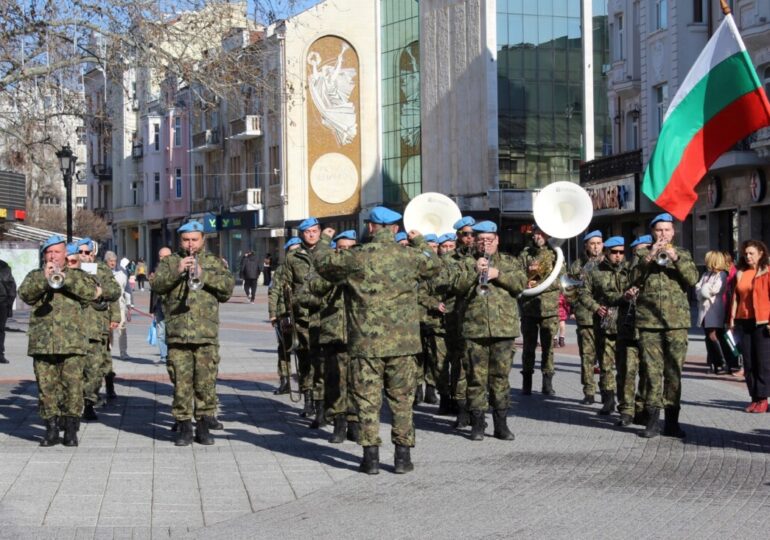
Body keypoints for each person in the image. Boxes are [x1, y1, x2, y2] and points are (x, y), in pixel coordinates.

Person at [315, 206, 439, 474]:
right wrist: (419, 240)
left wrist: (325, 238)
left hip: (366, 344)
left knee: (367, 400)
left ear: (371, 228)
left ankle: (370, 458)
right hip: (403, 345)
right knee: (402, 401)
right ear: (395, 229)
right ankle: (402, 458)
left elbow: (322, 263)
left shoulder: (355, 257)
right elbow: (435, 264)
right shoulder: (410, 256)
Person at [150, 220, 234, 446]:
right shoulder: (170, 262)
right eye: (186, 240)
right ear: (180, 240)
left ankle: (204, 426)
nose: (190, 244)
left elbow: (227, 291)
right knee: (181, 383)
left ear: (203, 240)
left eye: (194, 239)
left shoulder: (214, 262)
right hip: (178, 333)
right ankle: (184, 426)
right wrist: (178, 272)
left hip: (206, 334)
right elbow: (156, 286)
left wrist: (203, 275)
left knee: (205, 383)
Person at [18, 235, 103, 446]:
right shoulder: (35, 275)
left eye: (57, 252)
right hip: (43, 343)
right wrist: (44, 281)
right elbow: (25, 295)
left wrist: (65, 279)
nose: (53, 256)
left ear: (65, 254)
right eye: (49, 252)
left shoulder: (78, 275)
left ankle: (71, 430)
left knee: (73, 388)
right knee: (46, 389)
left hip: (72, 342)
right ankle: (51, 430)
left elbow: (90, 293)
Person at [446, 220, 527, 441]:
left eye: (489, 240)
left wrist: (497, 274)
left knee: (500, 378)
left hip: (503, 329)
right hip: (474, 330)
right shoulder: (464, 263)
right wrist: (475, 272)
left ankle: (501, 424)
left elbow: (521, 284)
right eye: (480, 240)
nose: (484, 244)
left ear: (497, 241)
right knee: (475, 379)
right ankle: (478, 424)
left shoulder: (510, 262)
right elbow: (454, 286)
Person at [630, 213, 698, 438]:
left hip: (676, 323)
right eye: (659, 230)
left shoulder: (684, 254)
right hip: (649, 322)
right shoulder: (641, 254)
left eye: (667, 230)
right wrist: (649, 255)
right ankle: (652, 421)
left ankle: (672, 422)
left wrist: (675, 258)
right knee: (651, 372)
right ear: (652, 232)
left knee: (674, 372)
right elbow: (633, 278)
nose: (663, 234)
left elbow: (692, 279)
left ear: (673, 232)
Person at [302, 230, 359, 442]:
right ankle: (339, 422)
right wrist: (330, 281)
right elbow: (305, 295)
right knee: (335, 381)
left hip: (357, 334)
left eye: (349, 249)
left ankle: (355, 422)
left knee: (356, 381)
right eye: (341, 249)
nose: (344, 252)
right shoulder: (324, 270)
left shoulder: (360, 269)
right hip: (332, 335)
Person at [278, 218, 324, 420]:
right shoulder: (293, 257)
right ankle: (308, 400)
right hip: (301, 317)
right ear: (301, 234)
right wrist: (284, 315)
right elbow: (283, 287)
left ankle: (322, 402)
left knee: (322, 361)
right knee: (305, 359)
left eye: (314, 231)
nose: (311, 235)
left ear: (320, 232)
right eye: (307, 232)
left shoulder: (329, 253)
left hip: (325, 317)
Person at [580, 236, 627, 416]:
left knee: (625, 366)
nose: (618, 256)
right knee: (606, 365)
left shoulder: (629, 269)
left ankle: (626, 402)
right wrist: (595, 307)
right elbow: (583, 293)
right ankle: (608, 400)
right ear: (607, 252)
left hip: (625, 324)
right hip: (605, 323)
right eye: (614, 252)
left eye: (621, 252)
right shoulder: (593, 269)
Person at [76, 238, 122, 421]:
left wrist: (115, 316)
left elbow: (114, 293)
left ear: (93, 254)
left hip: (96, 326)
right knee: (76, 369)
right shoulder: (70, 269)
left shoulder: (101, 269)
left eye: (87, 253)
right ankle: (80, 403)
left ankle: (91, 399)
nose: (83, 256)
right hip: (73, 328)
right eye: (80, 252)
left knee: (96, 368)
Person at [518, 225, 562, 395]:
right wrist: (525, 281)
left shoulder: (555, 254)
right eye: (536, 233)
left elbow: (561, 280)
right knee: (528, 347)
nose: (538, 236)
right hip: (529, 308)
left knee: (548, 347)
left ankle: (547, 383)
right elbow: (517, 276)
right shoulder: (525, 254)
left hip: (549, 309)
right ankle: (526, 381)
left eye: (541, 233)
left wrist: (543, 283)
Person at [728, 240, 770, 413]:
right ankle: (754, 397)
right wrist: (731, 320)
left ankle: (763, 399)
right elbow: (735, 298)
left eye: (751, 253)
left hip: (762, 322)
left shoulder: (767, 273)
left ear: (761, 253)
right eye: (746, 253)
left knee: (763, 362)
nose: (748, 256)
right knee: (748, 362)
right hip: (743, 322)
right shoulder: (741, 273)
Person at [570, 230, 605, 405]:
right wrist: (575, 307)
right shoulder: (577, 265)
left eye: (599, 243)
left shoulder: (609, 263)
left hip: (606, 318)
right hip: (586, 318)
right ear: (586, 246)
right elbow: (570, 290)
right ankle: (589, 391)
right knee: (587, 356)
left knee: (606, 356)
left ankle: (607, 390)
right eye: (592, 243)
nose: (596, 247)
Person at [268, 238, 302, 395]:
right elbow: (274, 291)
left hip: (303, 314)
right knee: (284, 348)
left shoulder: (308, 266)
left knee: (304, 350)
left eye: (297, 250)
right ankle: (285, 381)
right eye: (292, 251)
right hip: (285, 314)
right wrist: (273, 314)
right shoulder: (282, 268)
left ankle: (304, 383)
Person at [695, 251, 730, 374]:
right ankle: (713, 363)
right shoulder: (706, 274)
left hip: (714, 308)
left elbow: (714, 290)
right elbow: (698, 288)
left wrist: (704, 290)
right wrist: (703, 291)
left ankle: (723, 362)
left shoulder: (722, 275)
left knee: (713, 335)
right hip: (704, 308)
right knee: (708, 336)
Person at [104, 251, 128, 391]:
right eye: (111, 260)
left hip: (120, 305)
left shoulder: (121, 272)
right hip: (107, 307)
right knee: (109, 331)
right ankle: (109, 350)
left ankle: (123, 352)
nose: (113, 262)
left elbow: (127, 289)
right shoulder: (102, 272)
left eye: (114, 260)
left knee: (122, 329)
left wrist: (130, 304)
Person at [150, 247, 173, 364]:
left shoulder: (175, 269)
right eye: (160, 256)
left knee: (171, 332)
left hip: (171, 306)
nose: (162, 259)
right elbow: (153, 292)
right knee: (160, 332)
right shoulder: (156, 269)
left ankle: (171, 356)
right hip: (159, 305)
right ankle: (163, 356)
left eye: (165, 256)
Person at [0, 257, 17, 364]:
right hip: (3, 301)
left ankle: (0, 354)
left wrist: (9, 305)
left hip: (2, 302)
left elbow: (11, 285)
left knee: (0, 330)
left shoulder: (4, 266)